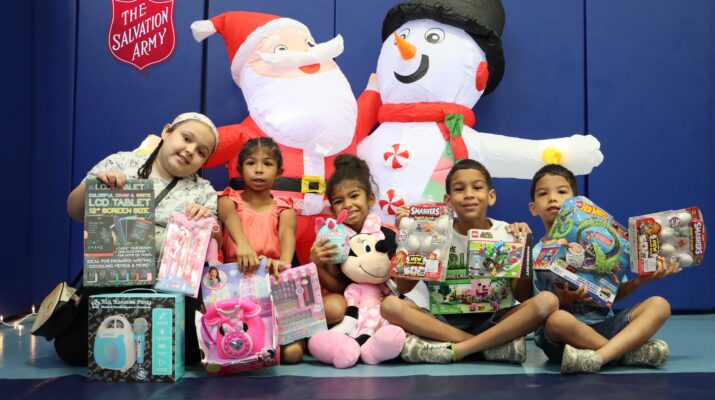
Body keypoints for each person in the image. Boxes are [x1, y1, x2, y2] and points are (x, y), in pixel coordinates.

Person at [59, 112, 221, 366]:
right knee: (73, 350)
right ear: (167, 131)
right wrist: (95, 187)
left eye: (201, 152)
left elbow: (214, 243)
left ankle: (144, 348)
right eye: (186, 138)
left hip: (170, 287)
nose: (190, 150)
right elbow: (74, 210)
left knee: (191, 352)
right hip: (113, 280)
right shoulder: (121, 162)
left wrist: (206, 221)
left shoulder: (204, 191)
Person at [380, 159, 560, 364]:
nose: (468, 194)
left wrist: (524, 249)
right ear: (448, 200)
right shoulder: (433, 231)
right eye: (459, 189)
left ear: (491, 196)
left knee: (547, 301)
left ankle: (458, 349)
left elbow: (522, 295)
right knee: (390, 305)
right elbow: (403, 287)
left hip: (496, 320)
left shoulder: (507, 232)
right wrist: (412, 236)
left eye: (477, 187)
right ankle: (488, 346)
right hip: (444, 323)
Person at [529, 164, 677, 374]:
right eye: (543, 194)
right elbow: (538, 312)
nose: (553, 198)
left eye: (561, 192)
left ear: (576, 201)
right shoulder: (537, 254)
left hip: (604, 326)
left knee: (660, 305)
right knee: (558, 320)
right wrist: (564, 300)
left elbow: (612, 294)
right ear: (533, 207)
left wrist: (640, 280)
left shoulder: (597, 243)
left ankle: (600, 357)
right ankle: (625, 354)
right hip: (562, 338)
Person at [216, 137, 303, 363]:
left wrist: (283, 264)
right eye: (251, 163)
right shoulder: (228, 200)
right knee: (235, 343)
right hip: (234, 287)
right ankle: (247, 343)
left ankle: (277, 339)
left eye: (267, 163)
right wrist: (244, 247)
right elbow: (230, 219)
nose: (259, 170)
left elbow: (287, 235)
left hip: (270, 284)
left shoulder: (284, 208)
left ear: (279, 172)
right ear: (240, 169)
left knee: (293, 354)